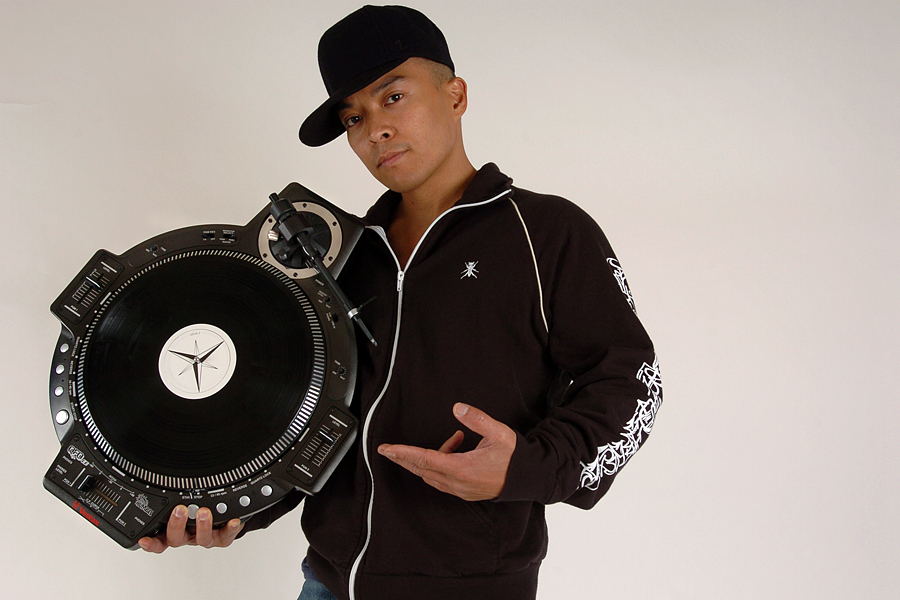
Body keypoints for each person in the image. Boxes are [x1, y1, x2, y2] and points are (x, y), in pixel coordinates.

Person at [139, 6, 662, 600]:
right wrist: (231, 507)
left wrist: (525, 468)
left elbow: (631, 380)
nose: (375, 131)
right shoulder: (339, 258)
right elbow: (306, 418)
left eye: (393, 97)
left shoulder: (546, 232)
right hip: (328, 584)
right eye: (353, 117)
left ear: (456, 94)